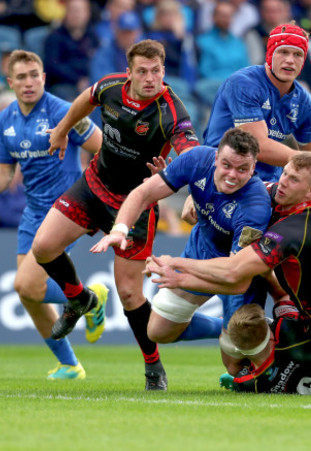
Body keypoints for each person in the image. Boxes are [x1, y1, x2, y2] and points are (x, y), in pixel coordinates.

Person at [31, 40, 199, 391]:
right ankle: (80, 299)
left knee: (129, 294)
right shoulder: (110, 87)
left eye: (156, 71)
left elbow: (191, 152)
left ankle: (153, 367)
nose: (150, 78)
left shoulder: (172, 111)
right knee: (44, 247)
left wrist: (188, 187)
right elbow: (84, 99)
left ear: (164, 72)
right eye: (142, 71)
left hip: (135, 204)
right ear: (129, 73)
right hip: (93, 185)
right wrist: (62, 130)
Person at [145, 152, 311, 349]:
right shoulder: (281, 197)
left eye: (293, 180)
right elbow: (230, 194)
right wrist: (187, 192)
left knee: (256, 367)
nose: (283, 182)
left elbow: (234, 272)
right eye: (285, 173)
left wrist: (176, 266)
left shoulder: (294, 229)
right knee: (157, 330)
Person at [90, 128, 271, 349]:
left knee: (239, 355)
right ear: (216, 157)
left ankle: (257, 337)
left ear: (253, 168)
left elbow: (237, 279)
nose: (232, 175)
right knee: (158, 331)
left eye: (242, 169)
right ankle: (225, 328)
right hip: (201, 247)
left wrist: (179, 275)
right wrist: (119, 229)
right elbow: (143, 193)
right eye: (226, 165)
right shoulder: (196, 159)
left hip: (233, 270)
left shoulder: (255, 207)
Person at [0, 50, 104, 379]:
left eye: (34, 74)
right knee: (27, 294)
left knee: (26, 283)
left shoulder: (65, 112)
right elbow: (4, 175)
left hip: (67, 211)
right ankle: (69, 364)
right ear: (10, 82)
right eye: (20, 77)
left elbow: (104, 148)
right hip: (32, 212)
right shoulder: (6, 119)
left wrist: (97, 192)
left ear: (43, 78)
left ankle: (88, 298)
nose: (28, 82)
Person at [202, 22, 311, 185]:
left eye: (297, 55)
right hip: (220, 177)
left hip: (268, 184)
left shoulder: (304, 101)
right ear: (270, 54)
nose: (290, 60)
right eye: (283, 52)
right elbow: (257, 146)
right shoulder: (243, 83)